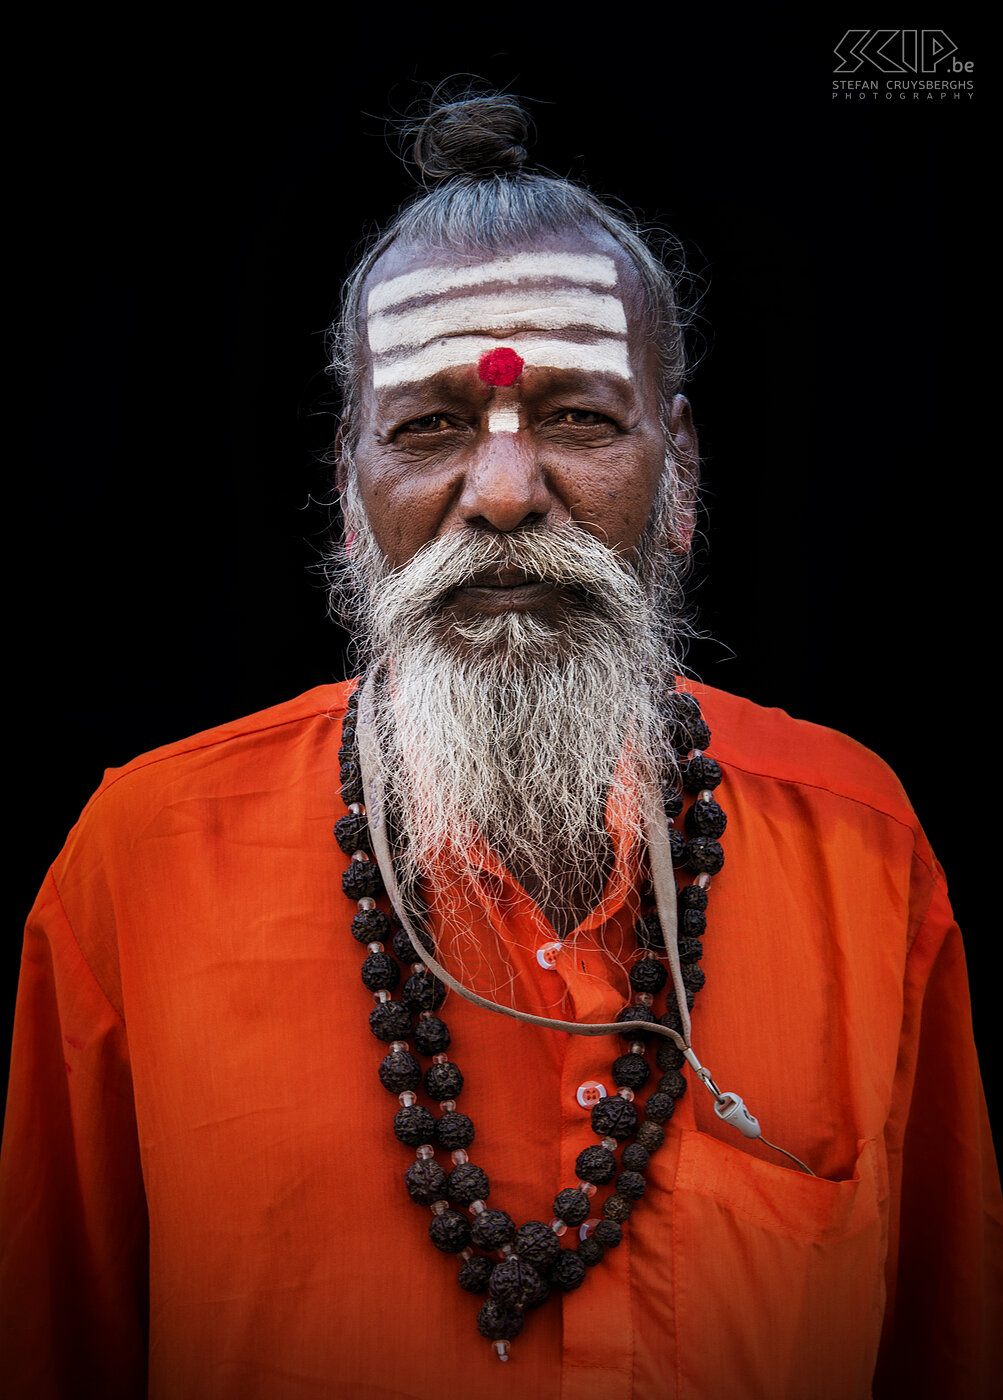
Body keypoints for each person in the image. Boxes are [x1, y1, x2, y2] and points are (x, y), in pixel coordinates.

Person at [2, 92, 999, 1400]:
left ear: (681, 474)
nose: (508, 492)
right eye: (429, 427)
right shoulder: (138, 868)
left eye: (581, 417)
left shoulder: (861, 853)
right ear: (351, 501)